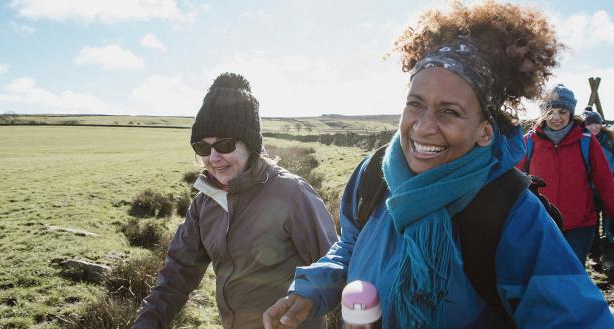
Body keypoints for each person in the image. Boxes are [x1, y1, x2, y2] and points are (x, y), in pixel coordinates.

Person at [263, 1, 614, 328]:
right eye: (416, 104)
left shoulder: (512, 213)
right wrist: (312, 289)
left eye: (449, 111)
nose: (424, 126)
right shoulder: (372, 175)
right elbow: (351, 246)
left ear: (485, 131)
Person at [134, 72, 338, 329]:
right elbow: (177, 274)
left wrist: (303, 301)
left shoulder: (292, 193)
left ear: (250, 145)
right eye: (203, 148)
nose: (214, 157)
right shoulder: (204, 202)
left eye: (225, 144)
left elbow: (335, 269)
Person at [519, 86, 614, 265]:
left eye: (562, 111)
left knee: (571, 276)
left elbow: (605, 182)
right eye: (550, 111)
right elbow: (513, 181)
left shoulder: (586, 141)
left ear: (571, 112)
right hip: (540, 224)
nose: (556, 117)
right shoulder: (528, 141)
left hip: (579, 227)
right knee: (543, 275)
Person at [583, 109, 614, 246]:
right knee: (592, 218)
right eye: (589, 124)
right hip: (588, 187)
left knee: (608, 217)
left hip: (607, 185)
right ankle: (594, 247)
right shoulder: (583, 141)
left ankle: (608, 241)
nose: (593, 127)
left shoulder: (609, 141)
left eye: (596, 123)